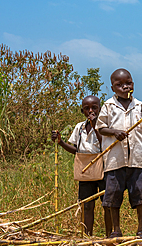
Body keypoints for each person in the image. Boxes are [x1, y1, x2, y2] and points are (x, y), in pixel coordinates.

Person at [96, 68, 142, 238]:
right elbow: (101, 128)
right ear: (113, 88)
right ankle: (116, 230)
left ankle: (141, 229)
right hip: (115, 160)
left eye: (128, 83)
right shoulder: (108, 106)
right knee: (113, 197)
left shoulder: (139, 106)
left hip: (137, 159)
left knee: (141, 196)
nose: (125, 86)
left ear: (133, 84)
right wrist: (114, 132)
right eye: (119, 84)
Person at [51, 95, 112, 237]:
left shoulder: (105, 126)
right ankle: (87, 236)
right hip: (85, 170)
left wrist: (96, 125)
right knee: (87, 205)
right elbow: (76, 151)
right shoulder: (79, 128)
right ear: (82, 111)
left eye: (94, 108)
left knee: (107, 204)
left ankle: (109, 235)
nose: (91, 111)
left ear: (100, 109)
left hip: (104, 168)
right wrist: (61, 142)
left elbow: (105, 144)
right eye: (87, 109)